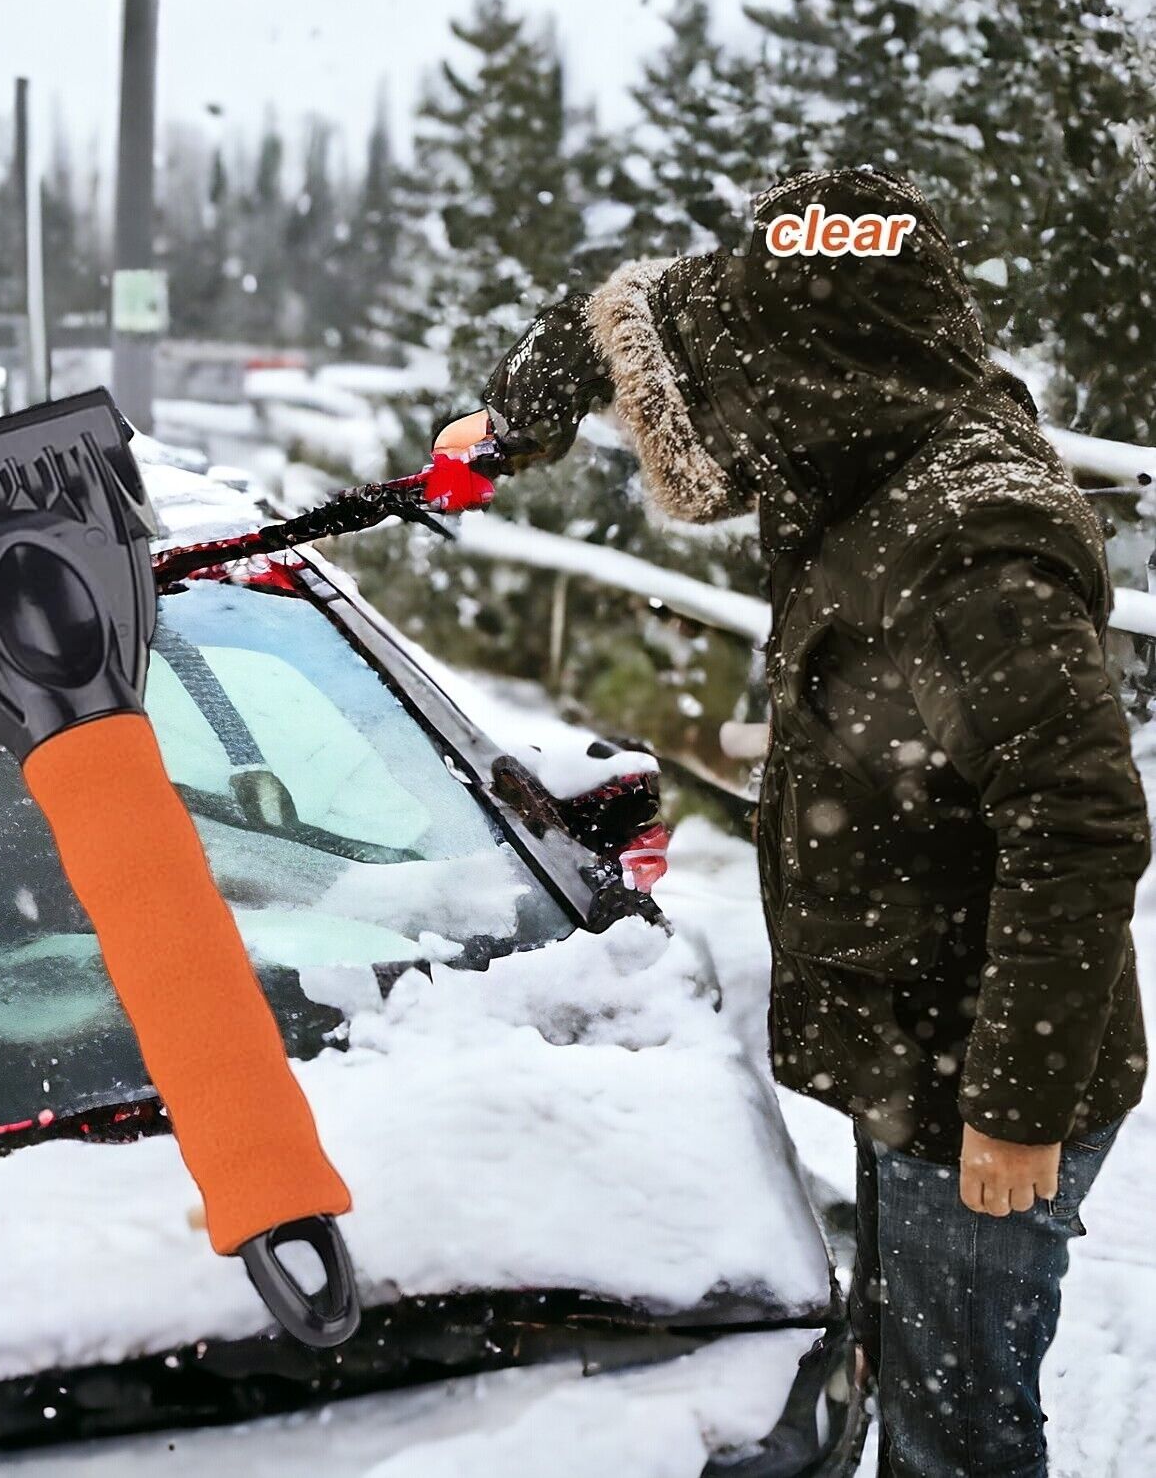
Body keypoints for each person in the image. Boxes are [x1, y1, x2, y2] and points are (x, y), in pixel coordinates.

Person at [438, 166, 1150, 1476]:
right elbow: (641, 320)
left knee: (959, 1426)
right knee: (905, 1356)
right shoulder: (848, 388)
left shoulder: (969, 542)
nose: (732, 403)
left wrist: (1013, 1109)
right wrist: (516, 416)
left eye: (757, 375)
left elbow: (1083, 827)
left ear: (821, 375)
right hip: (914, 1042)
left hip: (983, 1067)